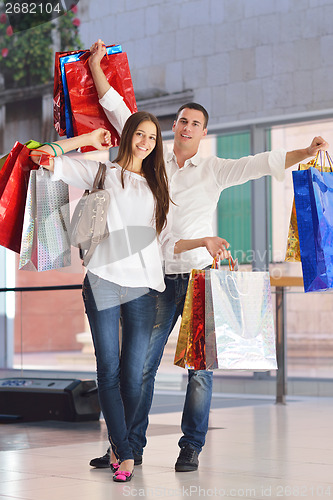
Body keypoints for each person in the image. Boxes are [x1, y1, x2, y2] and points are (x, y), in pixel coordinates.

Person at [88, 39, 329, 472]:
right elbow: (118, 110)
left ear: (203, 131)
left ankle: (191, 445)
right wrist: (95, 67)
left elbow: (263, 162)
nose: (185, 127)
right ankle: (128, 447)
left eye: (194, 123)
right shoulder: (152, 157)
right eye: (181, 120)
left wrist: (307, 153)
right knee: (140, 366)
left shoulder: (216, 170)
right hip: (157, 278)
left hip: (200, 277)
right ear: (174, 125)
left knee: (201, 368)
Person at [30, 114, 231, 482]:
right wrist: (88, 137)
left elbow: (166, 242)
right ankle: (123, 452)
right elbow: (42, 156)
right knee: (108, 370)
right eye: (139, 134)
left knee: (134, 377)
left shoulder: (158, 185)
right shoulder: (103, 172)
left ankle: (121, 446)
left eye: (152, 137)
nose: (145, 141)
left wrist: (203, 240)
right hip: (103, 281)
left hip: (143, 288)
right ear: (127, 137)